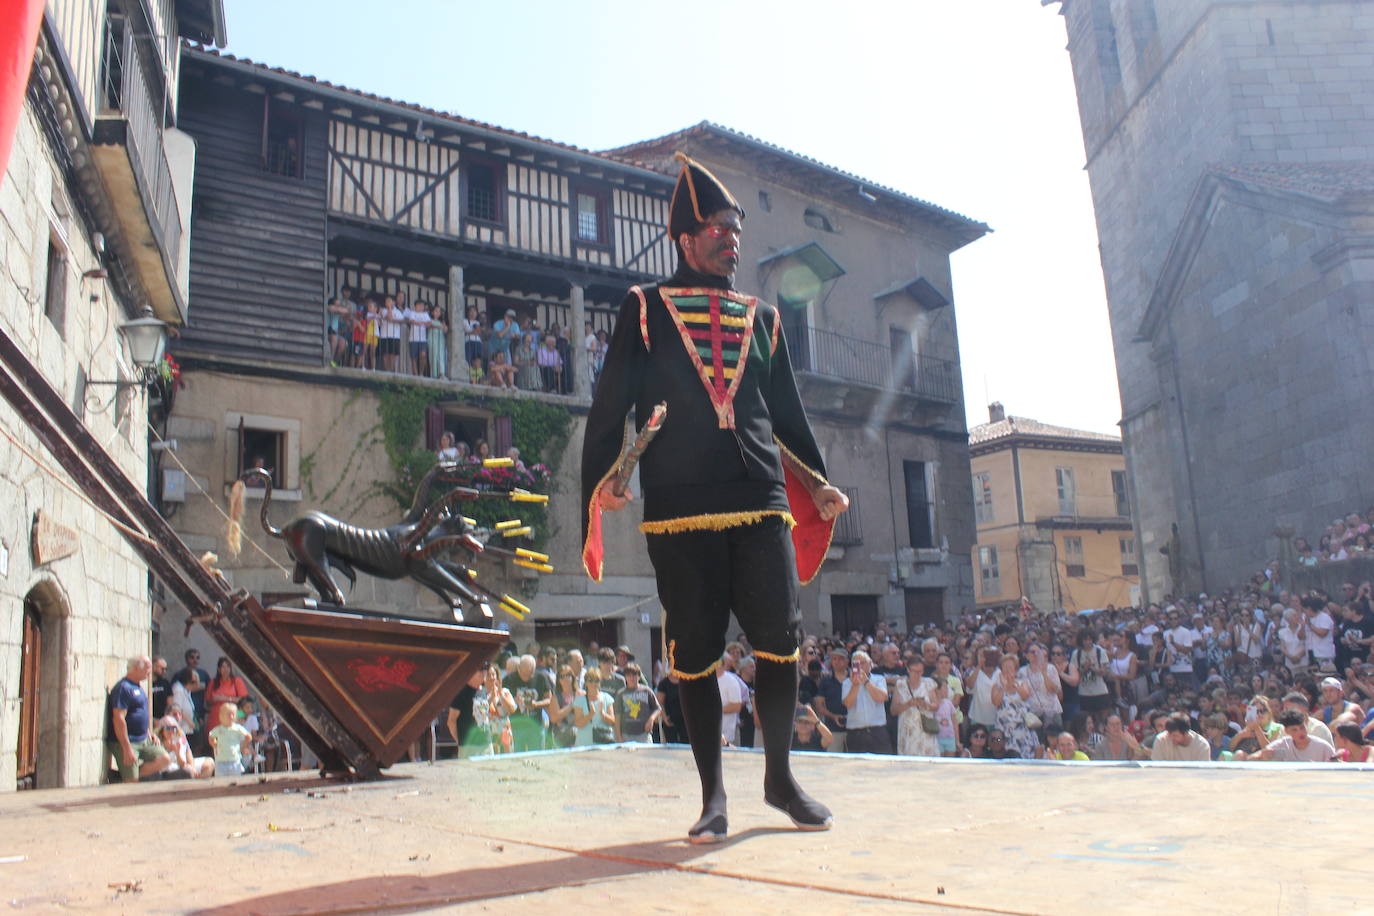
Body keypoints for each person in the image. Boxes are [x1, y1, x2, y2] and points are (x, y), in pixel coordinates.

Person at [581, 154, 848, 842]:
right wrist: (606, 474)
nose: (732, 240)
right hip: (679, 508)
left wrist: (816, 482)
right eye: (718, 229)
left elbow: (784, 415)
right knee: (694, 652)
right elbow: (611, 401)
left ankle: (780, 779)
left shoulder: (763, 316)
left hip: (762, 500)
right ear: (685, 238)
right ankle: (713, 797)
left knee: (781, 642)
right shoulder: (644, 308)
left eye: (736, 230)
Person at [107, 655, 171, 782]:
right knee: (132, 783)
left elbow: (139, 714)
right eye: (147, 667)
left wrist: (148, 732)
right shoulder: (123, 688)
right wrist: (126, 748)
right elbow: (118, 719)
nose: (150, 671)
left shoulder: (138, 687)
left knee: (164, 759)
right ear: (136, 668)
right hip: (127, 742)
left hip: (143, 740)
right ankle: (128, 776)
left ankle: (121, 776)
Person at [890, 657, 939, 756]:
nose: (917, 674)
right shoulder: (900, 685)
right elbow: (893, 710)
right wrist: (908, 704)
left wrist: (926, 705)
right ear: (908, 670)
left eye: (920, 671)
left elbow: (936, 705)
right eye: (914, 671)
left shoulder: (928, 683)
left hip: (925, 730)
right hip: (907, 731)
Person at [1259, 710, 1337, 762]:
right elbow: (1258, 756)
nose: (1300, 732)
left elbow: (1336, 764)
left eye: (1302, 728)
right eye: (1294, 730)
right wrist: (1265, 756)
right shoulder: (1283, 744)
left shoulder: (1322, 747)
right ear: (1287, 731)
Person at [204, 657, 248, 742]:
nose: (226, 669)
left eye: (228, 666)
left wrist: (225, 698)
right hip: (216, 719)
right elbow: (208, 701)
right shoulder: (213, 682)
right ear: (219, 669)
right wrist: (214, 699)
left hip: (233, 718)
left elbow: (244, 700)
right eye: (223, 667)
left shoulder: (236, 681)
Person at [615, 663, 661, 743]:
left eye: (634, 675)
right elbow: (617, 716)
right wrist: (619, 736)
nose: (632, 678)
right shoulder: (621, 694)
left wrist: (651, 719)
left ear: (639, 676)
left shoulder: (647, 691)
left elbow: (658, 709)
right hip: (626, 735)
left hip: (644, 734)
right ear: (625, 677)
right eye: (629, 675)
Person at [208, 702, 253, 777]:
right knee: (221, 781)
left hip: (235, 760)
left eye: (233, 714)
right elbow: (211, 737)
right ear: (221, 716)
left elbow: (248, 737)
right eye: (228, 714)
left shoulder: (238, 728)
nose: (231, 717)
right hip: (221, 761)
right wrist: (215, 745)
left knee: (235, 780)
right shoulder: (218, 729)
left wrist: (242, 746)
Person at [573, 669, 616, 745]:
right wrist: (590, 714)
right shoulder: (579, 700)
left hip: (603, 742)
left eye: (597, 680)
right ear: (586, 682)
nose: (594, 683)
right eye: (590, 680)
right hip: (584, 742)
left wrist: (603, 714)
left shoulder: (607, 698)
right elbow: (579, 724)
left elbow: (612, 721)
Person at [427, 304, 448, 379]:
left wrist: (444, 326)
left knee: (441, 357)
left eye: (439, 312)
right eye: (436, 311)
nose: (438, 313)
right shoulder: (429, 320)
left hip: (441, 341)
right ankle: (434, 375)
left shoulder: (442, 322)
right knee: (433, 356)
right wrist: (439, 326)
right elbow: (429, 325)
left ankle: (441, 374)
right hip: (433, 340)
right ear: (432, 312)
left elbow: (445, 331)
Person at [149, 656, 171, 720]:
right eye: (162, 668)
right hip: (149, 719)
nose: (164, 671)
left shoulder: (165, 683)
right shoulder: (146, 683)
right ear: (153, 666)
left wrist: (167, 717)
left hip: (163, 719)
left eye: (166, 669)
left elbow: (170, 703)